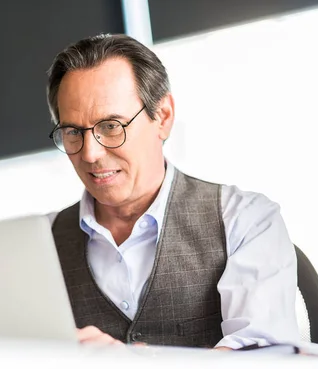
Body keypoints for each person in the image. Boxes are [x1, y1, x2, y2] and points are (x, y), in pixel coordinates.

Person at [46, 34, 299, 350]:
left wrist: (143, 368)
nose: (90, 154)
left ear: (162, 117)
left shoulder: (245, 219)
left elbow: (266, 362)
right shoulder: (39, 243)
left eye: (111, 126)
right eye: (72, 132)